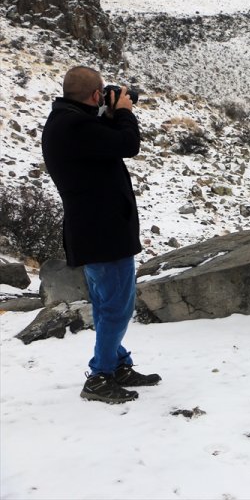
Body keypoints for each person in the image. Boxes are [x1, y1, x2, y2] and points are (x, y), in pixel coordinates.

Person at [42, 66, 160, 404]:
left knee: (108, 302)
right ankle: (101, 376)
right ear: (95, 95)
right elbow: (127, 144)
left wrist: (108, 114)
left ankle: (117, 364)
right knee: (116, 308)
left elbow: (101, 145)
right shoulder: (74, 125)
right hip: (103, 233)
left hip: (94, 229)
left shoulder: (67, 122)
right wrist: (122, 112)